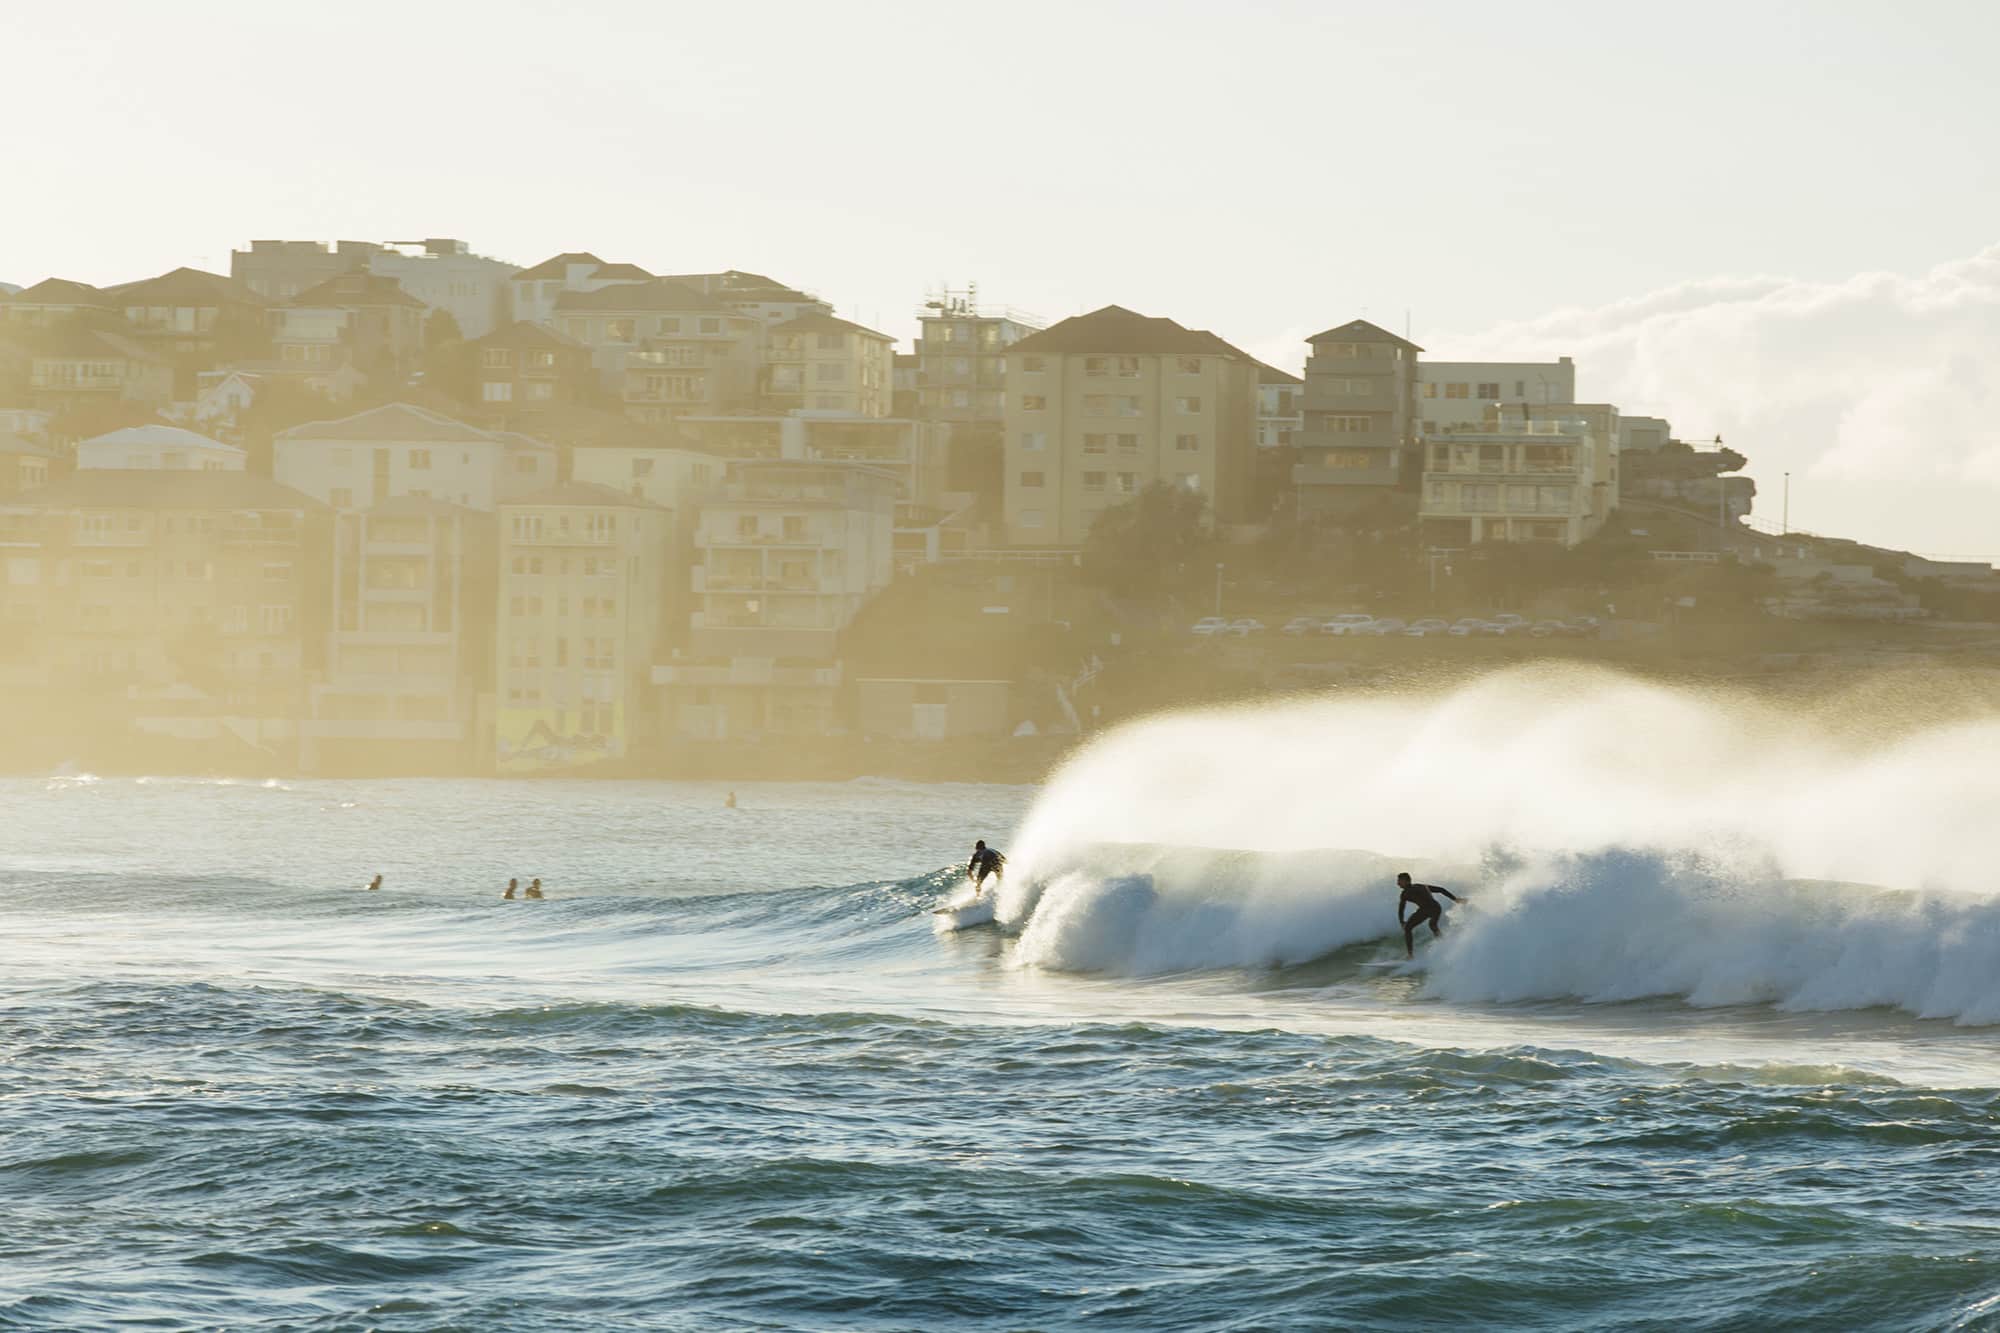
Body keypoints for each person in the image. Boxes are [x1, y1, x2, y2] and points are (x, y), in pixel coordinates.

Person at [1396, 872, 1461, 958]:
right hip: (1436, 907)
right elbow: (1441, 889)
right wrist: (1455, 899)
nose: (1398, 883)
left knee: (1408, 928)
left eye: (1400, 881)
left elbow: (1401, 909)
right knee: (1432, 925)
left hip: (1426, 909)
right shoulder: (1420, 885)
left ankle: (1410, 955)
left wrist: (1402, 922)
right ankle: (1443, 943)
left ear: (1406, 881)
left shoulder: (1405, 893)